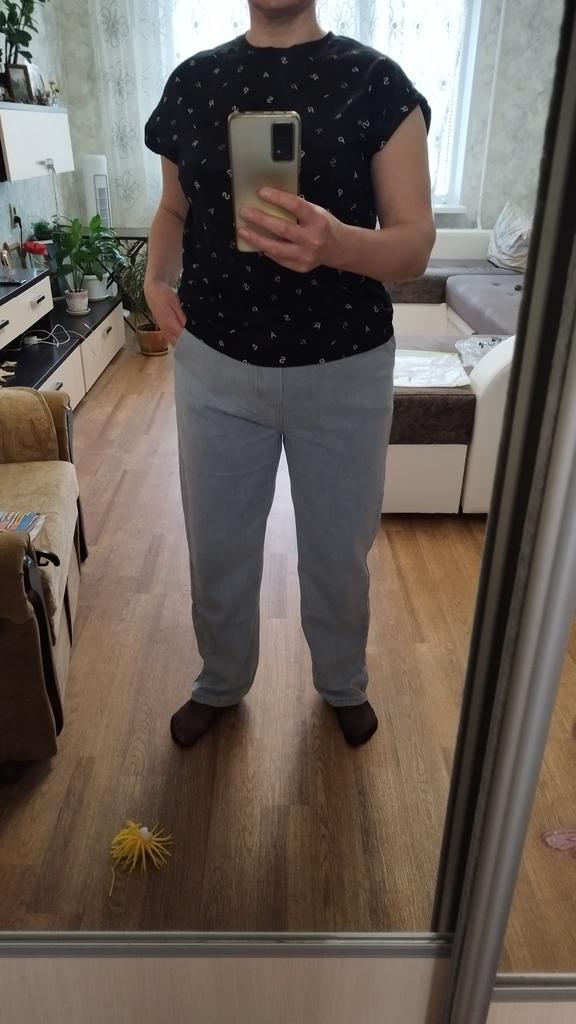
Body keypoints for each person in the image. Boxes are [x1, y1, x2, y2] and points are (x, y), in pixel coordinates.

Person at [144, 0, 435, 749]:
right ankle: (220, 680)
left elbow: (414, 245)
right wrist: (154, 277)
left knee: (339, 554)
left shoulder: (379, 84)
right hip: (215, 366)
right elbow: (173, 210)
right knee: (217, 549)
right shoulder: (192, 84)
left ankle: (343, 681)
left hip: (345, 371)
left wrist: (336, 245)